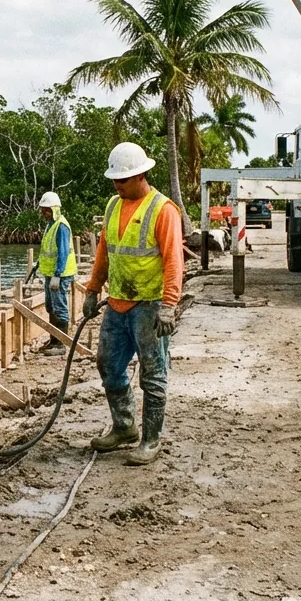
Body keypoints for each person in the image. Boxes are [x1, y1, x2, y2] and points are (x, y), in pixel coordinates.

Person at [81, 142, 184, 466]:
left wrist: (169, 304)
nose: (117, 185)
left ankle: (150, 440)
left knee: (152, 376)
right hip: (118, 304)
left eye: (122, 180)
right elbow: (105, 252)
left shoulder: (162, 209)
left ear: (141, 175)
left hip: (150, 306)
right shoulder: (113, 206)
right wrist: (92, 288)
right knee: (108, 365)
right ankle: (124, 426)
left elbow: (173, 261)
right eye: (114, 180)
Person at [37, 191, 77, 354]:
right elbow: (48, 248)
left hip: (59, 274)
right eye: (43, 210)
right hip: (50, 273)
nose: (44, 214)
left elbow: (62, 252)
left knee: (59, 306)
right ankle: (54, 339)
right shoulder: (51, 224)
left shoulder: (61, 226)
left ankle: (60, 343)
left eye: (47, 210)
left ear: (54, 209)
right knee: (50, 306)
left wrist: (57, 275)